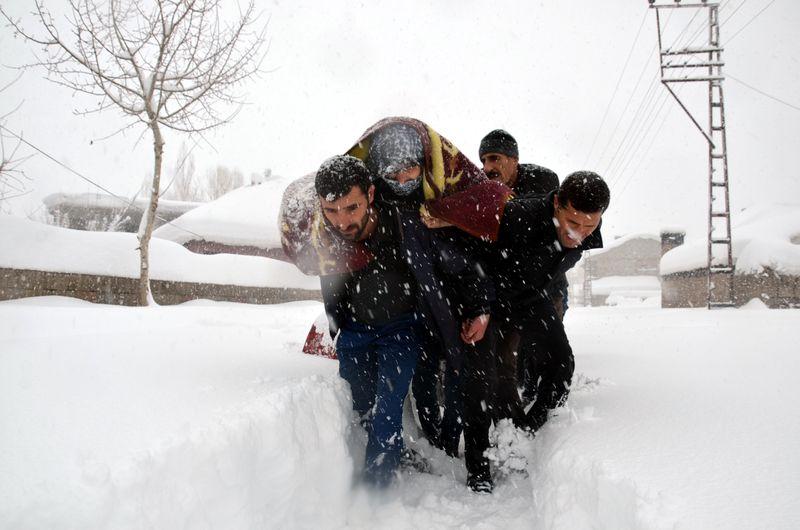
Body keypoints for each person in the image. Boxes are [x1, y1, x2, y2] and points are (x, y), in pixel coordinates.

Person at [314, 154, 493, 489]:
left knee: (388, 405)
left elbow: (464, 266)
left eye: (351, 208)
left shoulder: (407, 225)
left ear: (369, 193)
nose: (341, 221)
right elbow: (330, 286)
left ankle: (376, 493)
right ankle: (391, 452)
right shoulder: (325, 238)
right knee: (362, 408)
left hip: (402, 330)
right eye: (331, 210)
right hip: (354, 333)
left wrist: (480, 306)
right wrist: (335, 327)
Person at [478, 129, 568, 416]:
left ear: (514, 159)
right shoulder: (484, 189)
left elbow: (547, 233)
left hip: (547, 286)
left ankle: (543, 405)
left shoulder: (543, 182)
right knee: (504, 357)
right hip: (507, 289)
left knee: (540, 349)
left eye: (495, 158)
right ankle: (511, 418)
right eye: (483, 160)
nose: (488, 167)